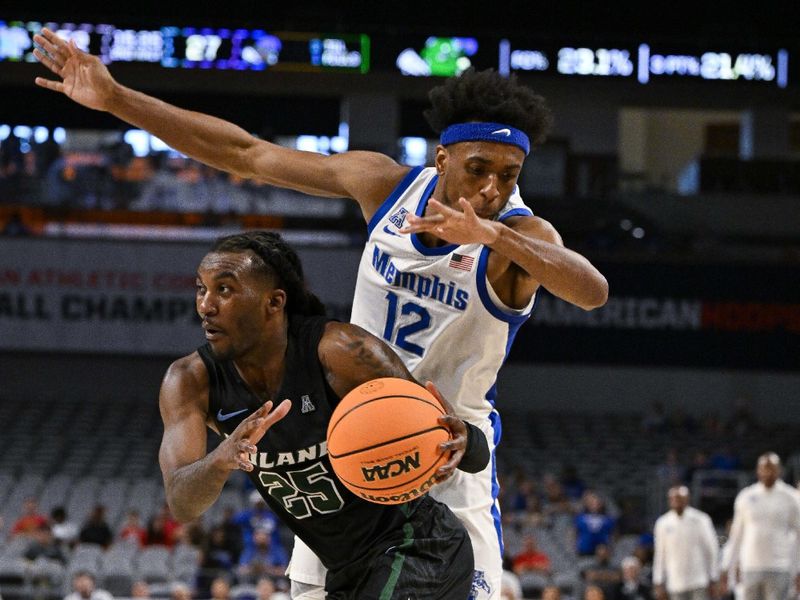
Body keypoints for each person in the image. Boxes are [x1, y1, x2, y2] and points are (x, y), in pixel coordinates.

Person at [33, 31, 609, 599]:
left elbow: (591, 290)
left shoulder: (521, 234)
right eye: (478, 169)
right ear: (442, 158)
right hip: (352, 440)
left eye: (508, 176)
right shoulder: (383, 185)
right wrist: (117, 100)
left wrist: (489, 235)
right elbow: (247, 153)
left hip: (448, 445)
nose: (491, 189)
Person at [156, 230, 487, 598]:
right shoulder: (189, 381)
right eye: (201, 289)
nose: (206, 305)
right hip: (347, 571)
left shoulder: (341, 351)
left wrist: (464, 438)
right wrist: (221, 458)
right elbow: (182, 504)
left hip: (417, 547)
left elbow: (472, 454)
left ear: (274, 302)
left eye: (225, 290)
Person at [719, 452, 800, 600]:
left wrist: (798, 568)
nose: (768, 472)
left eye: (772, 468)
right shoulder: (746, 496)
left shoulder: (791, 497)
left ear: (779, 471)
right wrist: (726, 568)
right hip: (750, 566)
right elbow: (736, 535)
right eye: (764, 468)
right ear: (758, 471)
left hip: (780, 567)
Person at [652, 485, 719, 600]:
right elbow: (660, 554)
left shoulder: (700, 519)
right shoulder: (663, 523)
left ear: (687, 499)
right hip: (675, 582)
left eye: (680, 498)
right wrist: (658, 580)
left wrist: (713, 576)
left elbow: (712, 549)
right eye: (674, 499)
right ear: (669, 501)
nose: (677, 501)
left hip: (699, 580)